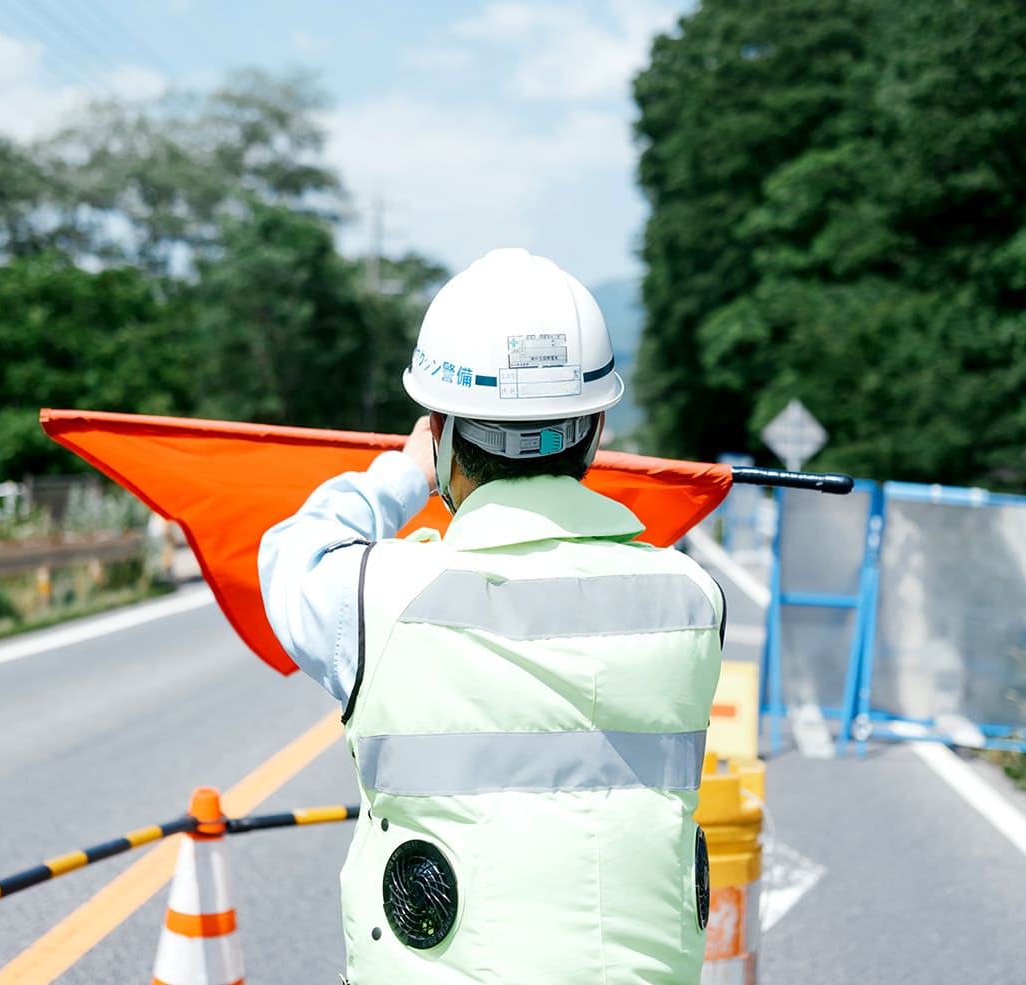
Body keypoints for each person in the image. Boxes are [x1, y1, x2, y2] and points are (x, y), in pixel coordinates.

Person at [259, 248, 725, 984]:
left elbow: (290, 554)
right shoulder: (694, 597)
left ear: (440, 431)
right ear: (598, 428)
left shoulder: (378, 594)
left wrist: (402, 473)